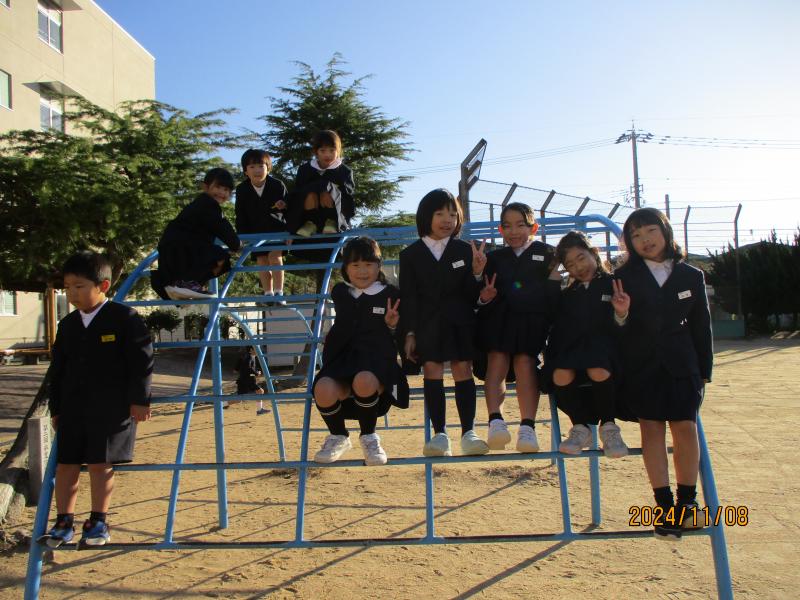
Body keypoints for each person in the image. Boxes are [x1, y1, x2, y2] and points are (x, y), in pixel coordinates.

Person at [38, 252, 153, 548]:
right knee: (66, 464)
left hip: (110, 409)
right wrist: (56, 408)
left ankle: (98, 521)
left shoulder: (124, 318)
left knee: (100, 464)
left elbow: (142, 361)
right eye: (67, 287)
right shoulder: (68, 325)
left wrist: (140, 399)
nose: (72, 293)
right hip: (74, 408)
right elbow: (57, 371)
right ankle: (64, 521)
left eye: (79, 286)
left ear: (102, 286)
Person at [613, 207, 713, 541]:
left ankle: (688, 502)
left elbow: (701, 326)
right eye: (636, 235)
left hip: (682, 365)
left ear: (665, 231)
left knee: (685, 428)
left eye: (650, 231)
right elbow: (615, 329)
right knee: (651, 430)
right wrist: (621, 315)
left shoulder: (691, 275)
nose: (645, 240)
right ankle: (664, 505)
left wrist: (704, 371)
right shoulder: (622, 277)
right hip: (641, 366)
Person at [399, 189, 489, 457]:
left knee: (463, 368)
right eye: (440, 213)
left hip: (460, 322)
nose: (447, 220)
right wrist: (410, 333)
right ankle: (439, 434)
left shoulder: (465, 250)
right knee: (432, 369)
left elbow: (471, 295)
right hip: (427, 324)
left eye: (452, 214)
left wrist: (477, 273)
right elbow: (409, 297)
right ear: (426, 216)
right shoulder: (410, 254)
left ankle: (469, 433)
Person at [312, 236, 409, 465]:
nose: (362, 271)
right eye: (355, 265)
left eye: (368, 264)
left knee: (364, 380)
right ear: (346, 268)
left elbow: (402, 335)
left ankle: (369, 437)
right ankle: (338, 436)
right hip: (343, 361)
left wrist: (392, 325)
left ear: (378, 266)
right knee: (323, 388)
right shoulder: (341, 292)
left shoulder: (391, 294)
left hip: (377, 363)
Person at [475, 202, 561, 453]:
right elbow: (479, 292)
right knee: (496, 361)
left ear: (533, 227)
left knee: (525, 362)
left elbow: (555, 293)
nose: (513, 231)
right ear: (500, 230)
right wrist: (481, 287)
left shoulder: (548, 254)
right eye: (507, 226)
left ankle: (527, 427)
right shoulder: (493, 258)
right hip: (498, 319)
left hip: (531, 321)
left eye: (520, 225)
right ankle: (495, 422)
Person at [546, 230, 630, 458]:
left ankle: (609, 427)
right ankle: (579, 427)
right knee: (560, 373)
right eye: (570, 265)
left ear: (594, 253)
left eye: (581, 258)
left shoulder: (613, 284)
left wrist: (621, 312)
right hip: (575, 353)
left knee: (597, 367)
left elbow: (626, 327)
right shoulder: (569, 294)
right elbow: (552, 313)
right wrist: (555, 274)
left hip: (606, 354)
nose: (578, 267)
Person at [151, 168, 241, 300]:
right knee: (221, 257)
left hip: (173, 249)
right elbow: (222, 227)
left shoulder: (198, 204)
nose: (222, 192)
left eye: (226, 190)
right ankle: (189, 283)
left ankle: (186, 284)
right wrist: (236, 244)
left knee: (214, 256)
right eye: (218, 187)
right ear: (205, 187)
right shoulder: (209, 205)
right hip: (184, 249)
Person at [234, 149, 290, 305]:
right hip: (255, 231)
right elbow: (240, 214)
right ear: (246, 171)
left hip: (277, 229)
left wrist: (290, 231)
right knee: (262, 261)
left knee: (275, 258)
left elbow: (291, 208)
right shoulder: (242, 189)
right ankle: (268, 293)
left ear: (268, 168)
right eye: (252, 167)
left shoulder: (277, 185)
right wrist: (242, 236)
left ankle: (279, 292)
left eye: (260, 166)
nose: (257, 170)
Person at [287, 130, 355, 238]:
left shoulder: (344, 171)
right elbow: (297, 193)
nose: (327, 155)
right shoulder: (305, 169)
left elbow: (348, 197)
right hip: (308, 215)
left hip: (335, 216)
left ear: (338, 150)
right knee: (309, 192)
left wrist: (328, 189)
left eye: (332, 150)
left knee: (327, 190)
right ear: (316, 151)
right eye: (323, 150)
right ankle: (310, 223)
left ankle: (331, 222)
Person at [233, 346, 267, 415]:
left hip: (244, 380)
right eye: (257, 349)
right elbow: (248, 368)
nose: (259, 350)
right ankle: (259, 410)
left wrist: (254, 372)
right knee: (260, 391)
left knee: (238, 399)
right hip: (247, 380)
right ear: (251, 350)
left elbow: (235, 370)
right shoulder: (249, 357)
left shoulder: (247, 357)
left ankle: (222, 404)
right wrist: (256, 373)